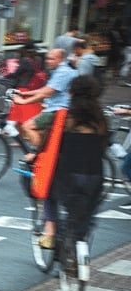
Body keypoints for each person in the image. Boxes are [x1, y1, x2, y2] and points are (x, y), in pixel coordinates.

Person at [36, 75, 107, 263]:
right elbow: (104, 146)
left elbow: (47, 144)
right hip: (94, 177)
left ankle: (51, 232)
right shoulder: (101, 121)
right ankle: (79, 243)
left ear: (71, 93)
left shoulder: (62, 118)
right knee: (86, 215)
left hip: (67, 177)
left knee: (48, 194)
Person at [12, 48, 78, 151]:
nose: (48, 61)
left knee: (27, 127)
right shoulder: (59, 71)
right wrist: (24, 93)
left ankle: (40, 155)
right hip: (58, 107)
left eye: (52, 59)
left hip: (57, 109)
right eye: (47, 58)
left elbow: (47, 93)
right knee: (44, 133)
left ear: (61, 60)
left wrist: (24, 101)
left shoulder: (63, 72)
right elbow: (45, 89)